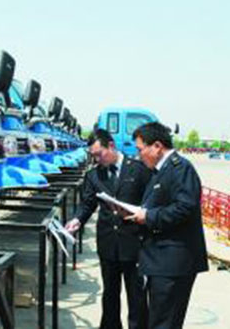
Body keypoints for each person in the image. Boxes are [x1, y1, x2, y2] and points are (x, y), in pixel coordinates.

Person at [65, 128, 151, 329]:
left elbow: (150, 201)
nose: (97, 159)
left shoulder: (138, 169)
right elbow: (87, 203)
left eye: (99, 154)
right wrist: (77, 219)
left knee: (137, 297)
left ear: (111, 146)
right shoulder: (94, 175)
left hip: (134, 243)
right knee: (110, 294)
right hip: (108, 243)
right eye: (93, 156)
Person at [126, 122, 208, 329]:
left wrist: (148, 216)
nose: (138, 155)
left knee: (165, 322)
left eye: (140, 149)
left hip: (174, 262)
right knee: (157, 319)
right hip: (160, 260)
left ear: (157, 146)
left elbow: (184, 208)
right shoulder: (161, 170)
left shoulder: (181, 169)